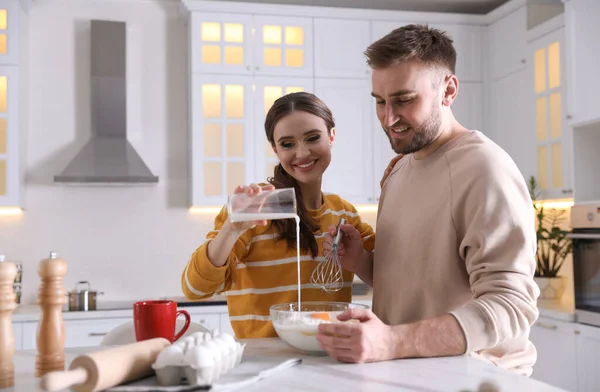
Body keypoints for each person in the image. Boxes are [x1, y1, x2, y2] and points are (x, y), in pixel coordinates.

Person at [316, 24, 540, 377]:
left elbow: (511, 305)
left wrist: (391, 342)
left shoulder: (485, 169)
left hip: (474, 379)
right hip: (408, 375)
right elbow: (417, 286)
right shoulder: (399, 171)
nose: (388, 118)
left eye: (404, 100)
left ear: (448, 90)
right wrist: (362, 261)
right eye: (379, 101)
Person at [181, 92, 376, 339]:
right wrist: (232, 228)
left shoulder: (344, 214)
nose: (302, 153)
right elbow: (194, 289)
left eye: (313, 138)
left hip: (330, 355)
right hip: (265, 362)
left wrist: (358, 260)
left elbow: (389, 278)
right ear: (275, 149)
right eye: (287, 144)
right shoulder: (255, 210)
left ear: (332, 136)